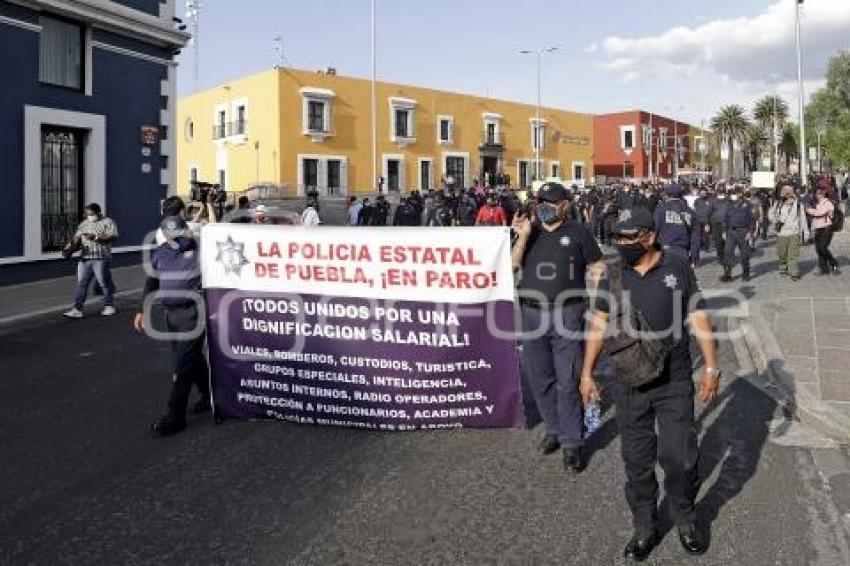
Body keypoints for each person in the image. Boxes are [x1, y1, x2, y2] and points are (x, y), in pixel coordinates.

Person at [580, 206, 720, 561]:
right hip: (630, 384)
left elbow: (698, 313)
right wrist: (587, 373)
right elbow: (598, 323)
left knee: (678, 458)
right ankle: (645, 525)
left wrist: (712, 367)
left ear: (650, 237)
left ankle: (685, 517)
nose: (622, 243)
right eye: (618, 237)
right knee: (636, 461)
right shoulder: (612, 275)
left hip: (674, 378)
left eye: (629, 237)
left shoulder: (676, 266)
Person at [511, 182, 604, 474]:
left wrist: (602, 298)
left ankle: (572, 443)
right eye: (540, 201)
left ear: (565, 204)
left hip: (568, 313)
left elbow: (598, 265)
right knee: (539, 377)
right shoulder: (531, 231)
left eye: (551, 201)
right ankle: (553, 428)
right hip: (532, 314)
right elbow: (512, 265)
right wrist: (522, 237)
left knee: (568, 379)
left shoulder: (579, 233)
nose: (544, 206)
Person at [133, 215, 210, 436]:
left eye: (179, 232)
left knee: (182, 363)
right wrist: (141, 309)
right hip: (171, 314)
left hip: (194, 312)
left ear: (187, 231)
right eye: (170, 234)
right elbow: (152, 281)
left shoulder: (200, 250)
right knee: (191, 358)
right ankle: (208, 395)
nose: (175, 237)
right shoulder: (160, 252)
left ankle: (175, 416)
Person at [63, 203, 119, 319]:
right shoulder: (83, 224)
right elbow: (76, 240)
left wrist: (96, 238)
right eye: (87, 214)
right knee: (81, 284)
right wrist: (69, 249)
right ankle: (77, 309)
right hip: (85, 258)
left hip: (101, 257)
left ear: (98, 213)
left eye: (91, 214)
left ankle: (109, 306)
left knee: (104, 283)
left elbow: (113, 238)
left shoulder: (108, 222)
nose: (89, 216)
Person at [769, 184, 809, 281]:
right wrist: (775, 220)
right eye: (785, 191)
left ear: (793, 192)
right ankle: (783, 267)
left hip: (794, 232)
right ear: (782, 192)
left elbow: (803, 219)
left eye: (789, 191)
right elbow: (770, 214)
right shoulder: (778, 203)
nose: (787, 193)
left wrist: (806, 232)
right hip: (782, 232)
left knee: (793, 253)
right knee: (782, 253)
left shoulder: (798, 204)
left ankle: (793, 272)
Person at [721, 187, 756, 282]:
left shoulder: (748, 205)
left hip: (743, 232)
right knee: (727, 252)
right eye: (732, 193)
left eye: (735, 193)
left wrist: (750, 232)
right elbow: (725, 218)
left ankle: (745, 274)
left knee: (744, 254)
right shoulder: (729, 205)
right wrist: (724, 231)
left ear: (740, 194)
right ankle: (728, 274)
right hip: (731, 232)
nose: (733, 195)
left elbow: (752, 219)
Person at [653, 183, 693, 262]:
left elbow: (655, 229)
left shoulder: (661, 210)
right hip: (683, 249)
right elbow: (695, 234)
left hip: (665, 248)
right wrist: (694, 255)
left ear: (667, 195)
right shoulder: (689, 211)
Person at [806, 185, 841, 276]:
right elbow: (814, 217)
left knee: (823, 248)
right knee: (818, 249)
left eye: (821, 193)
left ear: (825, 194)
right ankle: (823, 268)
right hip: (818, 228)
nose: (819, 195)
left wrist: (809, 210)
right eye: (817, 193)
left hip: (827, 228)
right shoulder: (816, 203)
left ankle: (834, 264)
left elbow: (819, 213)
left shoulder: (828, 203)